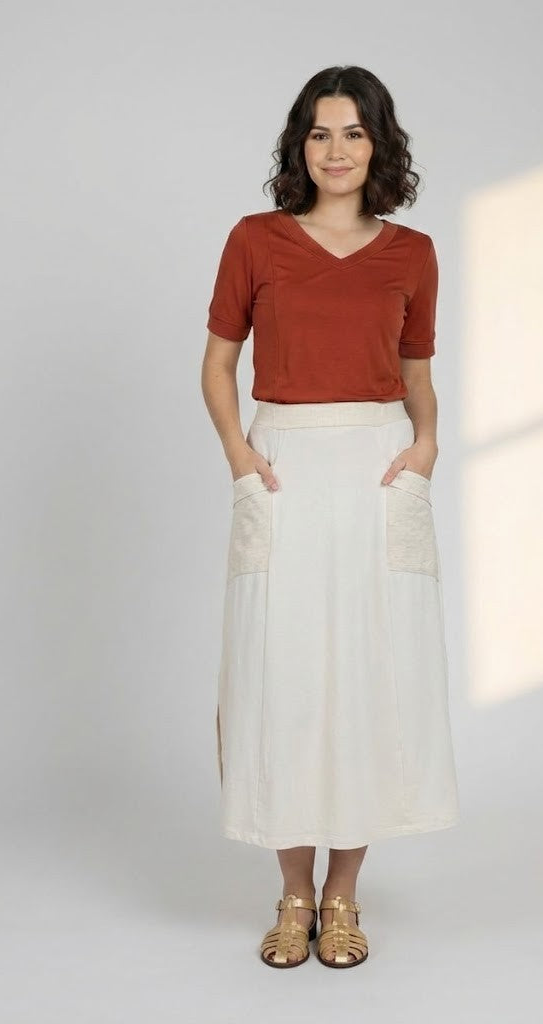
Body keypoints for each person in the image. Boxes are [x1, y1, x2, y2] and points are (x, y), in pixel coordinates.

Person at [201, 65, 460, 969]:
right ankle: (292, 894)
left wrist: (425, 447)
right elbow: (218, 364)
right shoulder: (255, 240)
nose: (336, 150)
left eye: (353, 132)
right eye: (319, 133)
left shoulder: (411, 253)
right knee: (281, 673)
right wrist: (240, 458)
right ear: (299, 145)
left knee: (368, 674)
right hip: (283, 467)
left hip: (377, 469)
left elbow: (417, 372)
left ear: (378, 144)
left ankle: (343, 897)